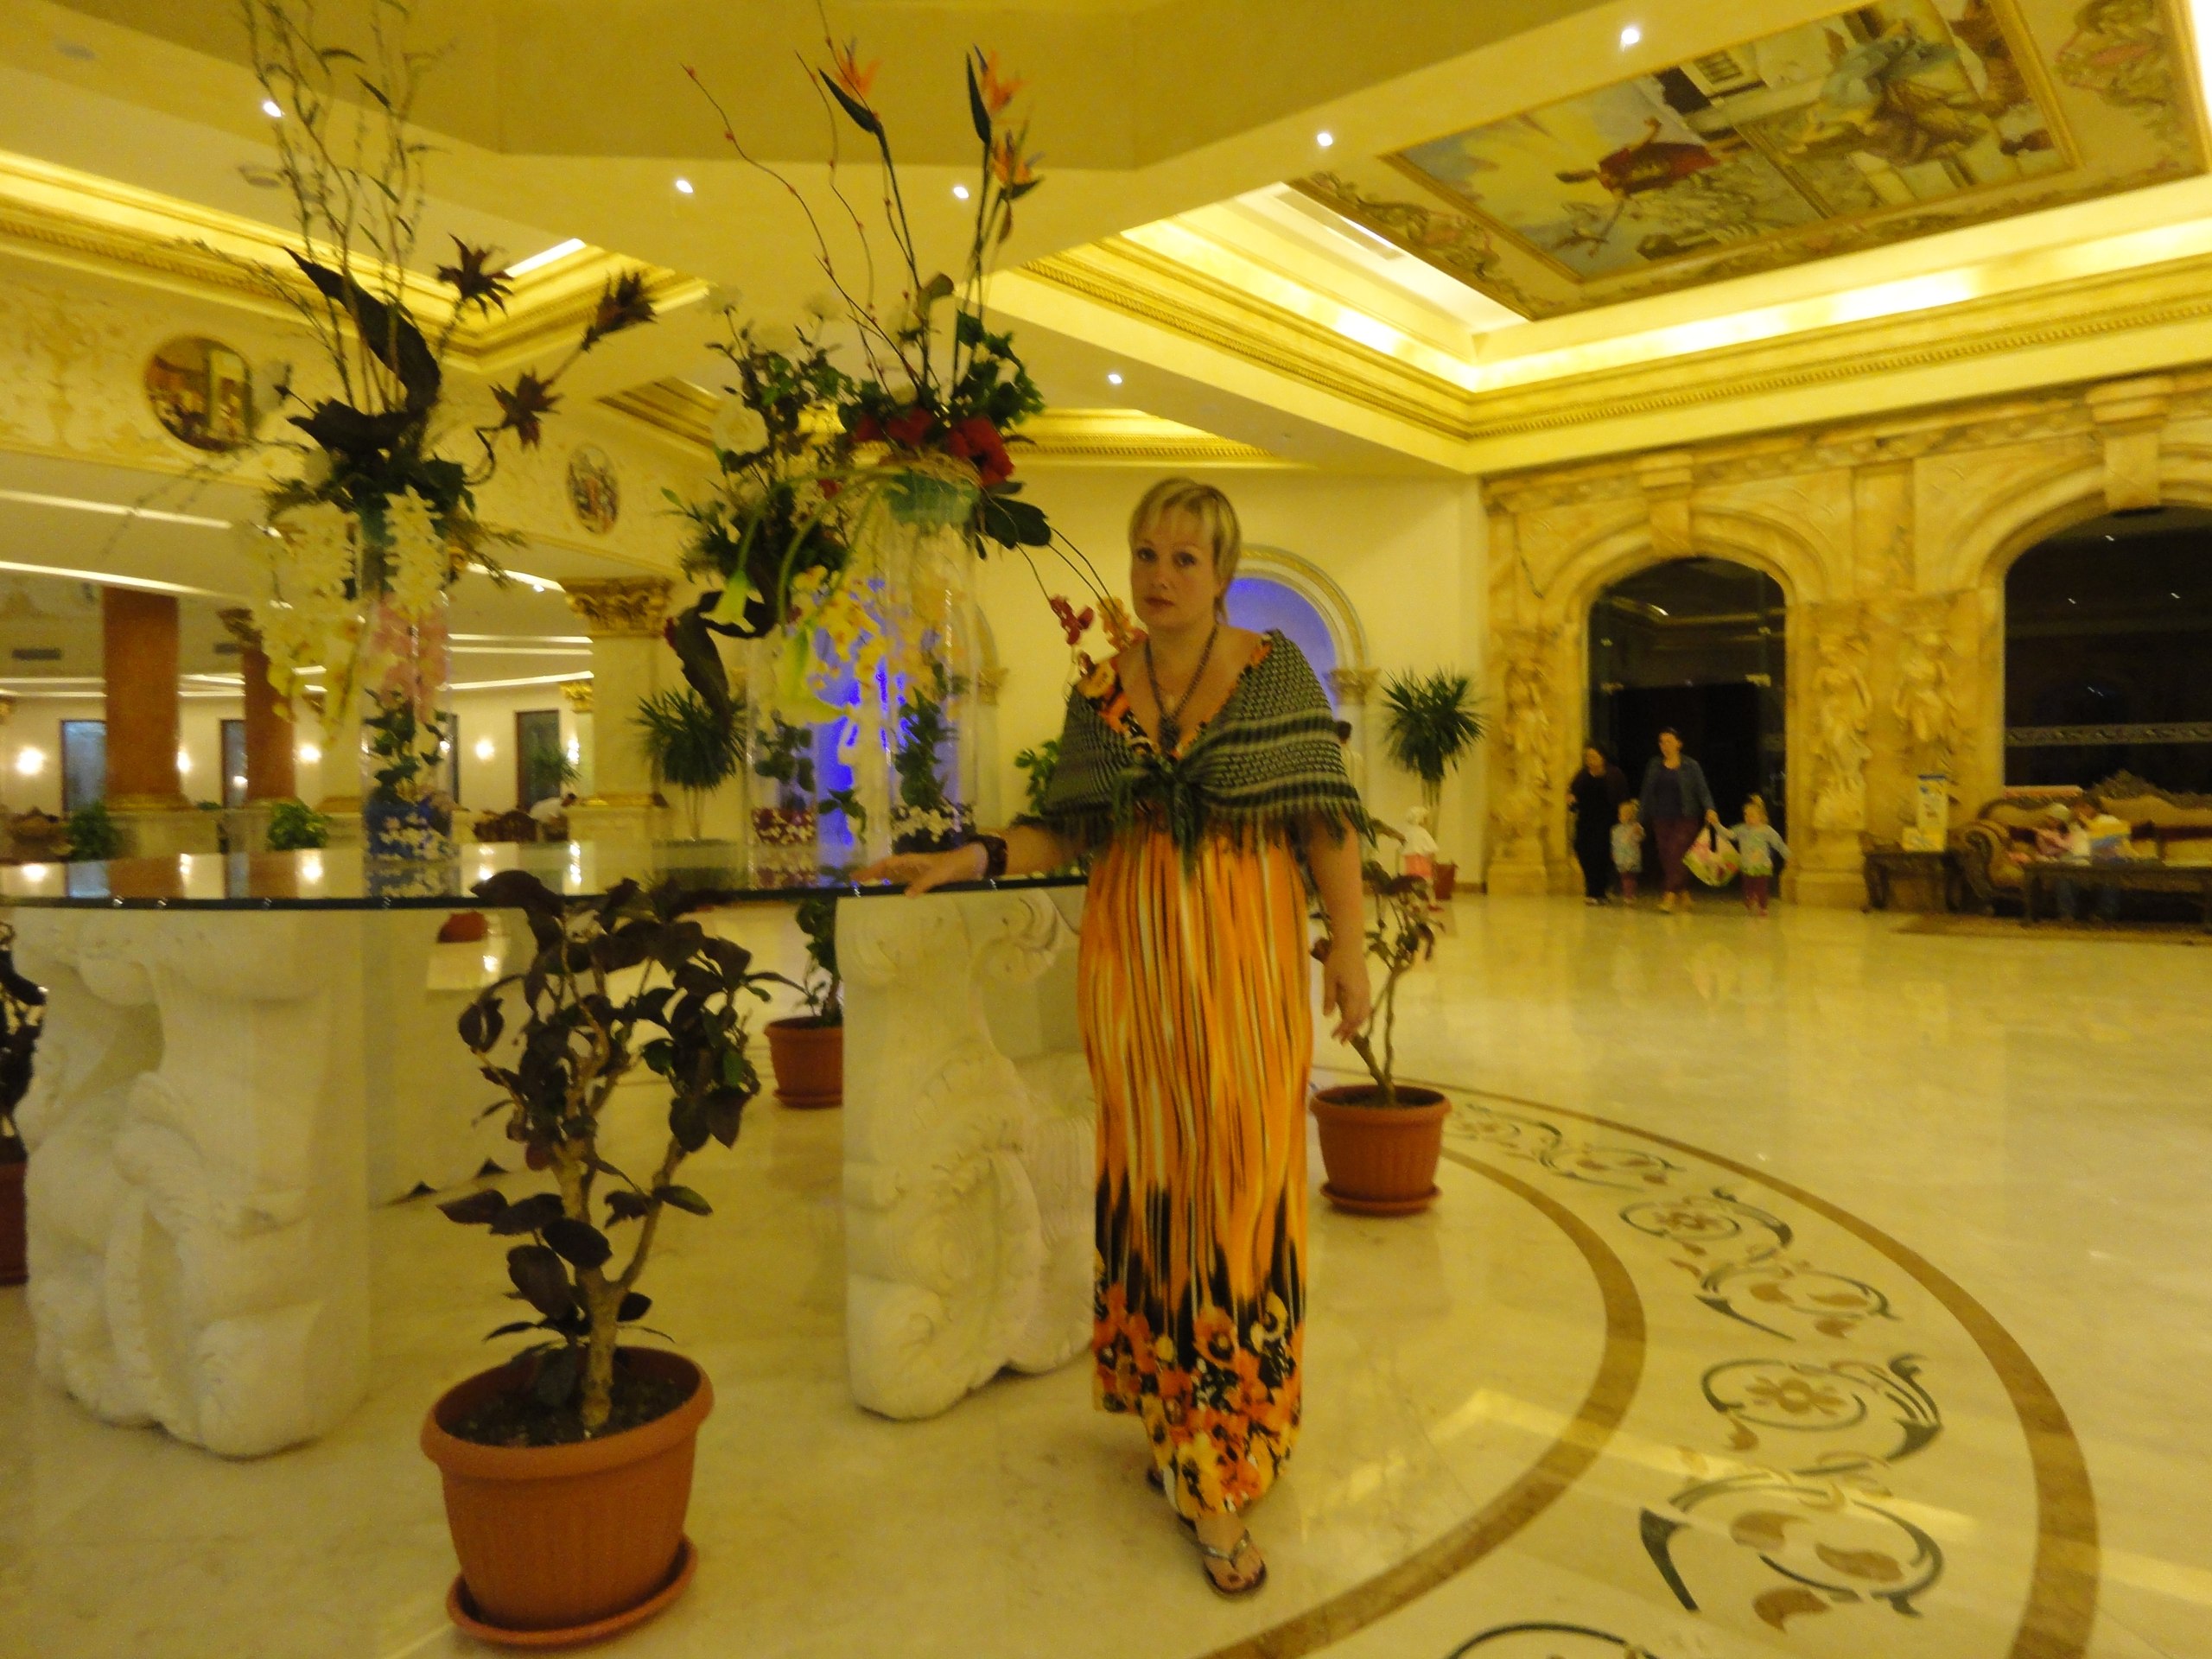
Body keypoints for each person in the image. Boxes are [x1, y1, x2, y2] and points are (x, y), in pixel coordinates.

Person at [861, 478, 1370, 1599]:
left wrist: (1348, 946)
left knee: (1239, 1193)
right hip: (1132, 976)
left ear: (1222, 572)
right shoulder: (1099, 692)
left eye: (1185, 557)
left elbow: (1323, 818)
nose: (1159, 574)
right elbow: (1065, 827)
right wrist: (972, 854)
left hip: (1244, 973)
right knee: (1156, 1194)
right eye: (1146, 553)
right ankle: (1186, 1433)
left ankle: (1224, 1452)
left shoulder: (1273, 672)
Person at [1637, 728, 1721, 912]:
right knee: (1666, 856)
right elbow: (1647, 793)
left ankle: (1669, 895)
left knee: (1676, 852)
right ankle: (1683, 892)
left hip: (1686, 817)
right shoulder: (1654, 765)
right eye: (1661, 742)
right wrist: (1640, 819)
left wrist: (1710, 809)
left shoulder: (1691, 766)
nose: (1664, 745)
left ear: (1679, 744)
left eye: (1669, 741)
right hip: (1661, 817)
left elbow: (1702, 790)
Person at [1567, 744, 1630, 904]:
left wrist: (1624, 816)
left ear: (1603, 757)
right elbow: (1573, 795)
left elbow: (1623, 798)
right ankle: (1593, 889)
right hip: (1586, 821)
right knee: (1583, 851)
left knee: (1603, 855)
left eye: (1594, 757)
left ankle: (1599, 891)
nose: (1590, 760)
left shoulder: (1615, 775)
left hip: (1607, 821)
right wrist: (1571, 800)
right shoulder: (1582, 775)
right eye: (1588, 757)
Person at [1730, 795, 1789, 916]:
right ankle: (1750, 898)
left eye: (1752, 815)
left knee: (1762, 886)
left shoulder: (1766, 831)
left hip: (1762, 865)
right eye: (1746, 815)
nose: (1748, 818)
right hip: (1747, 866)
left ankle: (1763, 906)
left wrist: (1787, 855)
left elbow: (1778, 843)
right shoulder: (1742, 829)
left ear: (1761, 816)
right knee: (1747, 886)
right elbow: (1729, 834)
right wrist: (1717, 825)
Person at [1612, 799, 1644, 902]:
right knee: (1625, 877)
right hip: (1621, 858)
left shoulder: (1636, 828)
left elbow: (1640, 837)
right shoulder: (1616, 830)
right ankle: (1628, 894)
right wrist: (1613, 853)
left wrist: (1637, 832)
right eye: (1623, 815)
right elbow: (1614, 843)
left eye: (1629, 814)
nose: (1626, 817)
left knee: (1632, 877)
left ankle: (1630, 893)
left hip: (1632, 857)